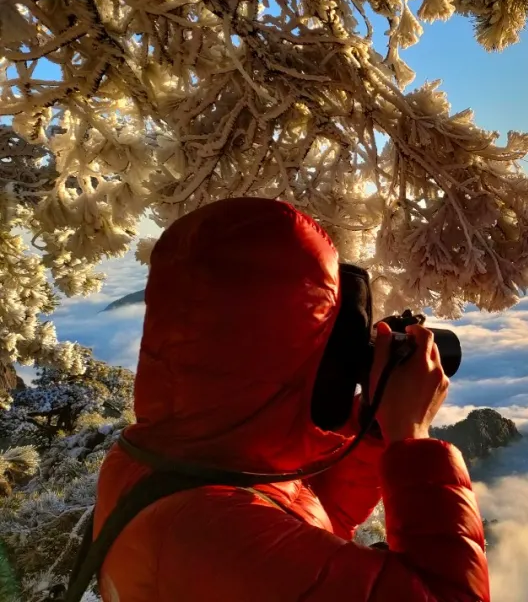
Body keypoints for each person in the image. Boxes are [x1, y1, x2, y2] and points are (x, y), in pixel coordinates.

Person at [93, 198, 490, 601]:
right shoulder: (214, 535)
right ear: (276, 350)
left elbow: (309, 529)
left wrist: (372, 429)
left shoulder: (162, 461)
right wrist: (412, 437)